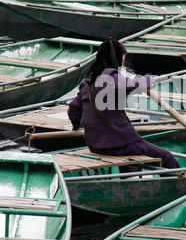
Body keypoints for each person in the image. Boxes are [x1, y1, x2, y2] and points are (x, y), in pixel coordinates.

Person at [67, 38, 179, 174]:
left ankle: (128, 181)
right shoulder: (111, 77)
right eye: (122, 58)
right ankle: (179, 185)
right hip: (117, 144)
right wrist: (149, 78)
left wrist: (75, 126)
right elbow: (135, 85)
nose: (123, 63)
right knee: (167, 157)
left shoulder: (87, 81)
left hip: (94, 145)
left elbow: (73, 109)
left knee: (131, 160)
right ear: (115, 58)